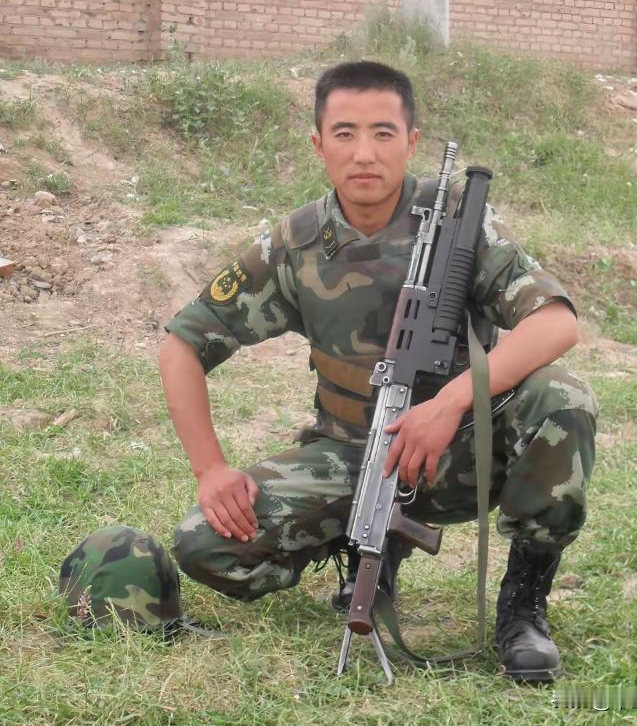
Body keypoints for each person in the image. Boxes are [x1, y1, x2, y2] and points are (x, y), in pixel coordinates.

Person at [159, 60, 598, 683]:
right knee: (203, 543)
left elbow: (556, 322)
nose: (364, 153)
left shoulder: (457, 222)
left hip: (465, 451)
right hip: (350, 453)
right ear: (318, 144)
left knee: (562, 396)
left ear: (411, 141)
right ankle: (364, 546)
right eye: (344, 133)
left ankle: (524, 604)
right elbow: (182, 344)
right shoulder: (296, 243)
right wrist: (210, 469)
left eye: (383, 133)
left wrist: (448, 404)